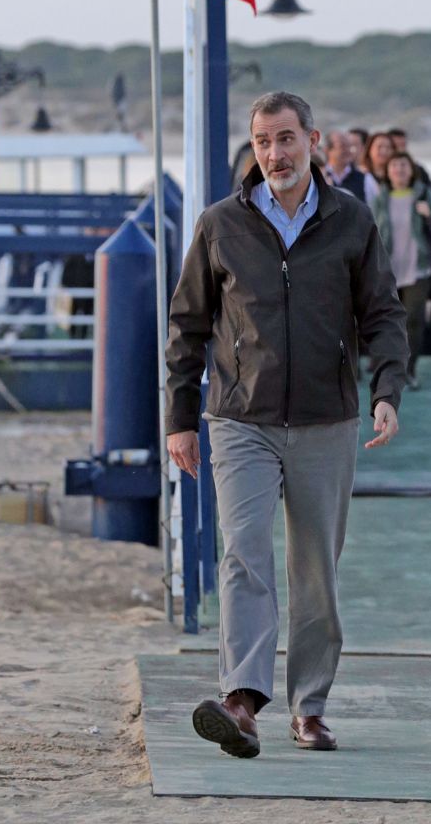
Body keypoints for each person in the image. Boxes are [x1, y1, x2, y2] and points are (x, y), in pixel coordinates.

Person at [165, 91, 408, 759]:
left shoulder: (353, 221)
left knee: (314, 573)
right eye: (264, 141)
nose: (275, 153)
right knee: (245, 550)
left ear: (314, 141)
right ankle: (241, 700)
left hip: (328, 419)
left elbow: (383, 315)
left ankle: (310, 706)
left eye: (287, 139)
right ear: (254, 148)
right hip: (240, 417)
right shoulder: (220, 225)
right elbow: (187, 325)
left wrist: (387, 389)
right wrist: (180, 417)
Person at [372, 151, 431, 389]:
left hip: (418, 268)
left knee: (414, 320)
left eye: (404, 165)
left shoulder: (422, 193)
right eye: (395, 165)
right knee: (388, 322)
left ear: (411, 170)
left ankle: (409, 371)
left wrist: (430, 213)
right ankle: (389, 369)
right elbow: (369, 228)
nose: (400, 169)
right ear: (388, 171)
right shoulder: (381, 197)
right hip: (388, 268)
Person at [324, 129, 370, 202]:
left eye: (349, 146)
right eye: (342, 146)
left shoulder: (364, 178)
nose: (347, 150)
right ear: (328, 150)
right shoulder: (318, 176)